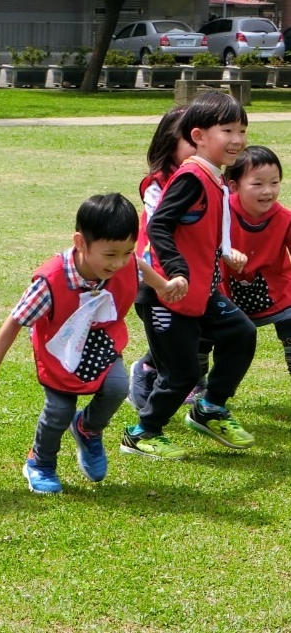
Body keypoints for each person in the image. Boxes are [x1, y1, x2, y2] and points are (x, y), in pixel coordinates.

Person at [0, 194, 184, 494]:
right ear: (80, 243)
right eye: (110, 254)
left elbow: (139, 267)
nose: (119, 263)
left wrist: (163, 286)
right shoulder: (50, 282)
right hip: (60, 351)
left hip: (101, 342)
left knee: (117, 387)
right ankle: (40, 462)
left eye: (127, 251)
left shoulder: (125, 263)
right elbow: (15, 321)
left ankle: (88, 429)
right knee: (59, 410)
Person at [124, 91, 257, 461]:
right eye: (227, 130)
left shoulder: (214, 178)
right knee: (181, 374)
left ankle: (210, 408)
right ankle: (142, 433)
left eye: (242, 130)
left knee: (241, 333)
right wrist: (177, 270)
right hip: (168, 294)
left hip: (202, 292)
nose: (237, 139)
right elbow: (159, 225)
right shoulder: (192, 177)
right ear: (198, 136)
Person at [128, 107, 200, 409]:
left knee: (194, 330)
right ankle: (147, 372)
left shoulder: (209, 176)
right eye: (192, 140)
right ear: (171, 144)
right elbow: (159, 224)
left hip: (193, 270)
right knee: (168, 334)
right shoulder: (158, 182)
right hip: (158, 275)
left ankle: (182, 376)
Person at [213, 147, 291, 385]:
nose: (268, 191)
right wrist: (225, 249)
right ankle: (197, 384)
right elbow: (203, 244)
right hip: (224, 293)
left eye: (274, 182)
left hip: (278, 294)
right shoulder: (220, 213)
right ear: (234, 186)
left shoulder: (284, 219)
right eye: (257, 184)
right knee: (203, 331)